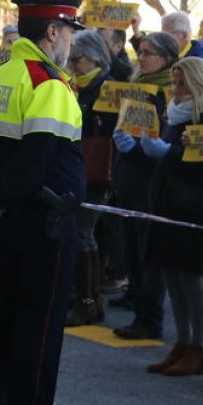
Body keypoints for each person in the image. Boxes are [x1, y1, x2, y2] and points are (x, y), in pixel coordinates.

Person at [0, 0, 88, 405]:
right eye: (70, 32)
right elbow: (37, 160)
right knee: (39, 325)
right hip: (46, 222)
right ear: (52, 32)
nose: (71, 43)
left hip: (8, 221)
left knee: (4, 317)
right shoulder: (49, 83)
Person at [123, 57, 203, 376]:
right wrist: (137, 151)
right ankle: (183, 343)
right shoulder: (174, 115)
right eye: (176, 83)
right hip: (169, 207)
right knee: (173, 276)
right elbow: (163, 165)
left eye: (184, 83)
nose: (178, 89)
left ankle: (197, 347)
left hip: (196, 210)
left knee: (191, 280)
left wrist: (168, 152)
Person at [111, 32, 178, 340]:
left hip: (148, 178)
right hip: (128, 174)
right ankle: (136, 297)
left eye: (149, 52)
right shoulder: (136, 84)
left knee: (147, 249)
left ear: (165, 58)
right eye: (140, 51)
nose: (142, 57)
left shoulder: (167, 90)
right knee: (130, 245)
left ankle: (149, 315)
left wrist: (137, 153)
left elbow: (160, 138)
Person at [65, 30, 117, 325]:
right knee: (84, 235)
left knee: (84, 234)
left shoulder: (106, 86)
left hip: (96, 167)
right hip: (82, 164)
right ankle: (89, 299)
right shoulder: (82, 85)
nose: (74, 64)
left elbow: (103, 124)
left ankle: (86, 301)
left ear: (94, 56)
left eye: (78, 59)